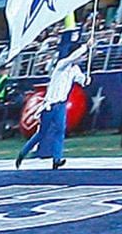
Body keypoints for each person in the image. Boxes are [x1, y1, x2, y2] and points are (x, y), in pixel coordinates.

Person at [16, 41, 89, 169]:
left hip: (61, 105)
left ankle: (57, 159)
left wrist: (86, 80)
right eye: (81, 56)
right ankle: (23, 152)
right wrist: (86, 46)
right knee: (42, 133)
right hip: (50, 104)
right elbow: (72, 57)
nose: (83, 58)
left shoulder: (75, 69)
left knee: (60, 131)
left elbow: (81, 80)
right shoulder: (61, 65)